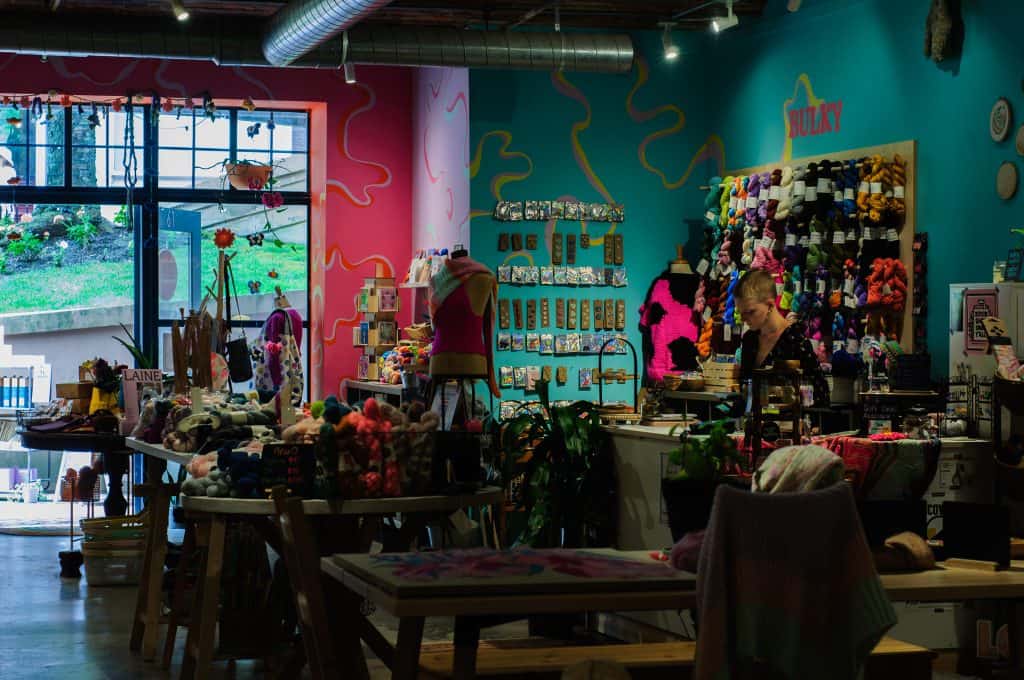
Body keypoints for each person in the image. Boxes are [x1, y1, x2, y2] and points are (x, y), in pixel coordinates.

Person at [735, 268, 829, 406]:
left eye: (750, 312)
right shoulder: (750, 339)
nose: (743, 319)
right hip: (754, 424)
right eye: (740, 312)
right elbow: (745, 387)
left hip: (789, 424)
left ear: (770, 304)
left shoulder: (795, 339)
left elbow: (821, 394)